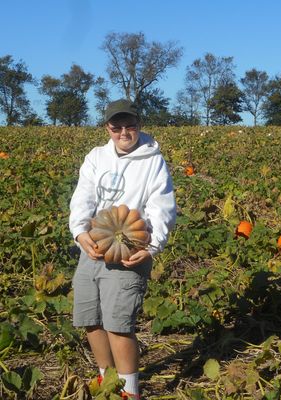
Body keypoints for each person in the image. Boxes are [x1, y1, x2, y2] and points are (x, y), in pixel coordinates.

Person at [69, 99, 176, 399]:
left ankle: (130, 391)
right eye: (117, 128)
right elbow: (83, 197)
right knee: (91, 319)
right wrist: (79, 232)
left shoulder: (153, 160)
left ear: (139, 125)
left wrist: (153, 245)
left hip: (129, 251)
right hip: (94, 246)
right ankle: (108, 379)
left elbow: (162, 206)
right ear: (108, 128)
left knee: (118, 323)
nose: (124, 133)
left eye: (130, 126)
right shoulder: (96, 157)